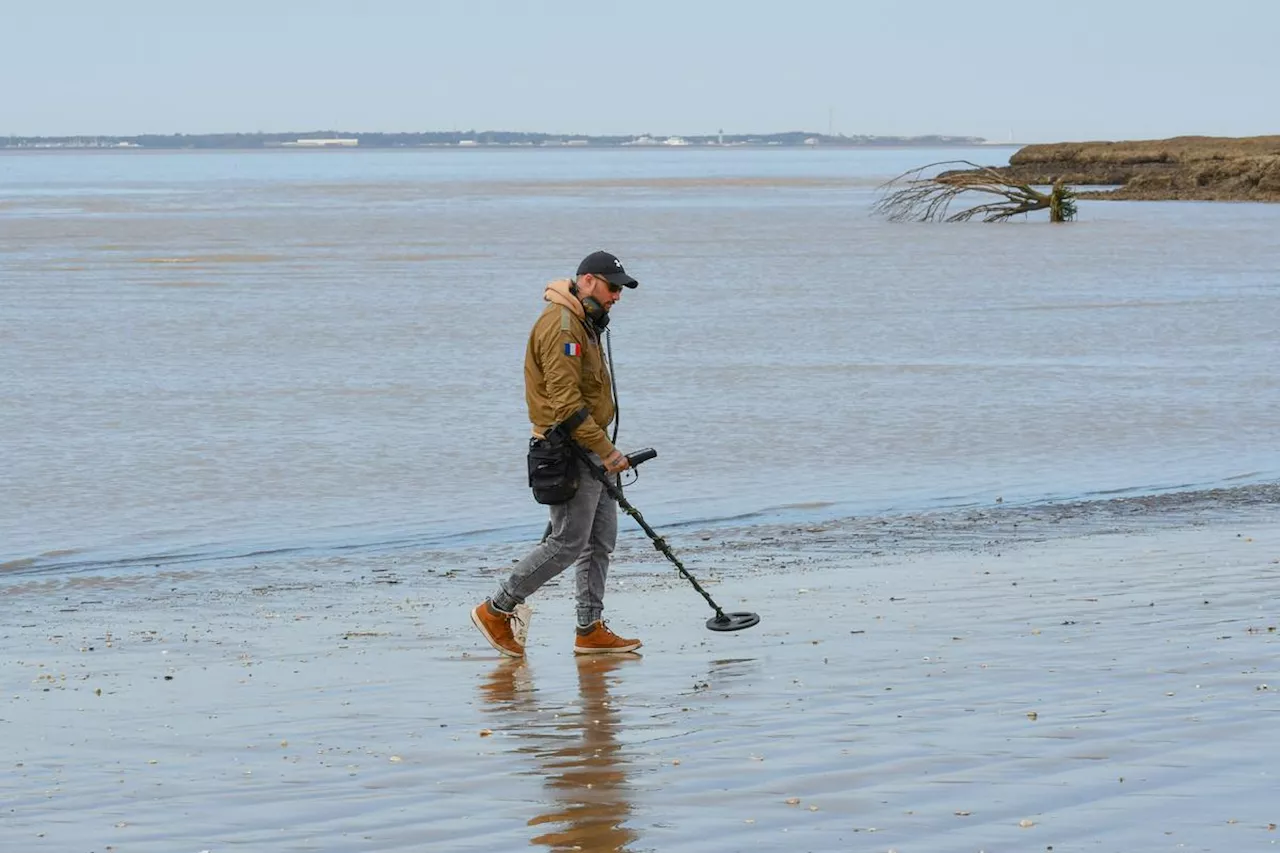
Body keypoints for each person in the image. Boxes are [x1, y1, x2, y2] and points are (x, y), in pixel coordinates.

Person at [471, 250, 643, 658]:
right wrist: (606, 451)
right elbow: (565, 406)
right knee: (567, 541)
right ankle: (496, 609)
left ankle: (589, 629)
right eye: (612, 287)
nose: (617, 296)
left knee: (600, 542)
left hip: (593, 446)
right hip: (570, 450)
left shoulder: (586, 323)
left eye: (620, 289)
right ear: (586, 281)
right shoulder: (563, 326)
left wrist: (606, 450)